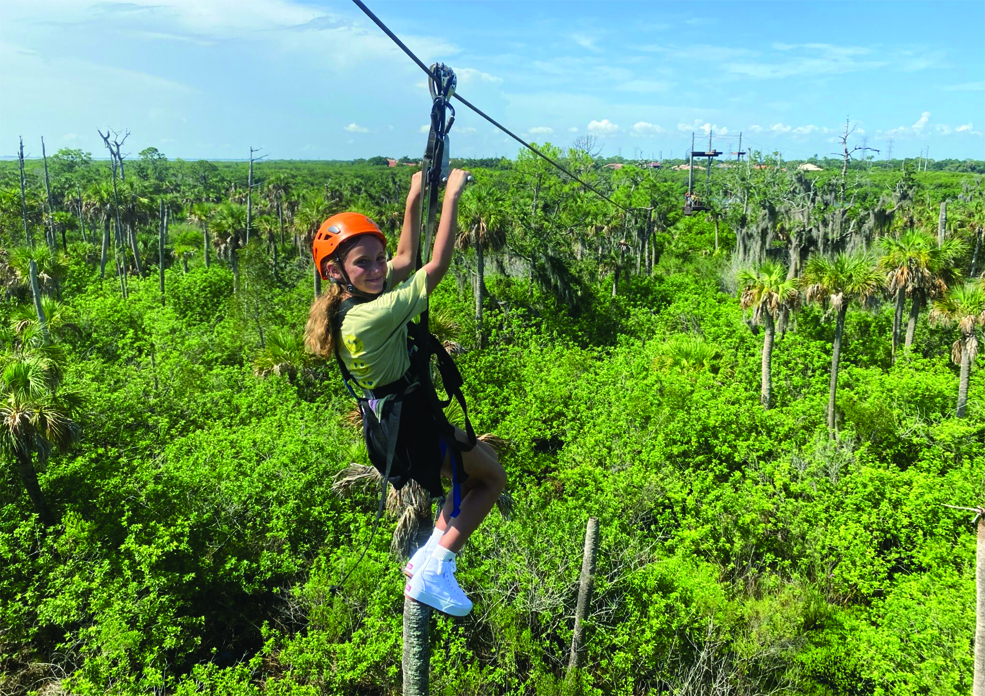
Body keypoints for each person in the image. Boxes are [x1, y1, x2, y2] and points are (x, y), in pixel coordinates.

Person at [304, 169, 506, 617]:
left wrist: (416, 196)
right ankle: (439, 565)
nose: (378, 269)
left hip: (400, 422)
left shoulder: (349, 304)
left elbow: (406, 255)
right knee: (491, 480)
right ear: (336, 271)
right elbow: (433, 266)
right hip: (411, 424)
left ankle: (429, 558)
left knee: (475, 474)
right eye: (365, 263)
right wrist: (451, 195)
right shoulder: (370, 316)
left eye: (377, 259)